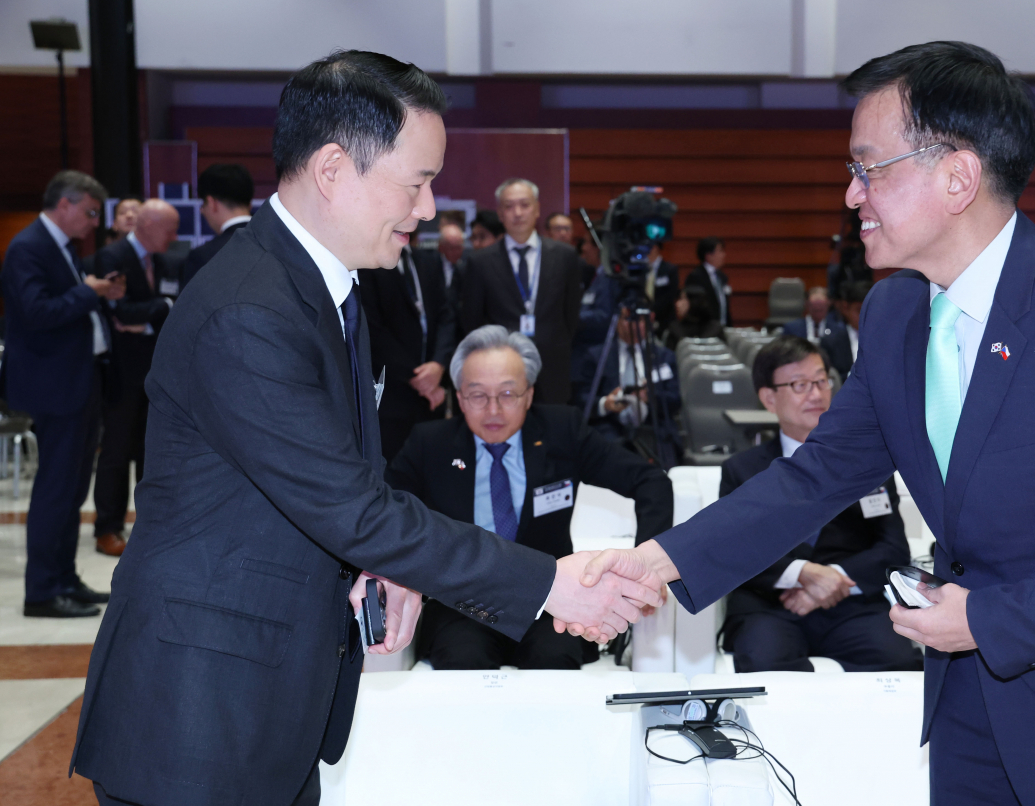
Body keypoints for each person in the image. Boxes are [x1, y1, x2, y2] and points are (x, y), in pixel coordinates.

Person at [573, 41, 1035, 806]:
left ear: (957, 175)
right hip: (972, 701)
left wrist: (992, 619)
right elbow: (816, 475)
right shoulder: (898, 311)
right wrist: (661, 562)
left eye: (869, 168)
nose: (851, 195)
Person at [69, 50, 662, 806]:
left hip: (264, 697)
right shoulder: (253, 308)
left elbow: (316, 484)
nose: (425, 208)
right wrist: (546, 581)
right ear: (332, 168)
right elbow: (351, 506)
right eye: (416, 182)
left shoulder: (320, 286)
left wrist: (378, 564)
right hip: (202, 712)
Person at [387, 325, 673, 669]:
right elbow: (386, 511)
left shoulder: (562, 431)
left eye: (508, 394)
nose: (493, 410)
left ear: (529, 395)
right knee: (464, 657)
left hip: (553, 599)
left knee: (552, 659)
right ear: (460, 397)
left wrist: (643, 567)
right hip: (461, 601)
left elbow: (651, 481)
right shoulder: (429, 444)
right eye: (478, 395)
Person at [719, 336, 920, 673]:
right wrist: (803, 574)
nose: (815, 394)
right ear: (769, 398)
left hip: (851, 604)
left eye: (820, 380)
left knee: (899, 662)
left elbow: (893, 548)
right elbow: (731, 549)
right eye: (799, 384)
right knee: (763, 664)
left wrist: (835, 579)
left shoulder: (867, 463)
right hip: (770, 604)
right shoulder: (743, 470)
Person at [1, 171, 124, 617]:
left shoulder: (61, 246)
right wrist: (86, 293)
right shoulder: (29, 246)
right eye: (90, 212)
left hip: (77, 379)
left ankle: (64, 578)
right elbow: (36, 313)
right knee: (55, 490)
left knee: (72, 490)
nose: (94, 222)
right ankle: (42, 591)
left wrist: (95, 293)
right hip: (54, 386)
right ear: (65, 204)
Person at [90, 199, 181, 557]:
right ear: (146, 225)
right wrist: (160, 308)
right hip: (121, 373)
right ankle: (107, 527)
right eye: (169, 229)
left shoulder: (165, 260)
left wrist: (154, 312)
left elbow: (176, 305)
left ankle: (149, 526)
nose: (174, 237)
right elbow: (118, 311)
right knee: (114, 451)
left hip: (156, 372)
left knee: (152, 452)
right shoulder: (112, 257)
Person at [461, 178, 583, 404]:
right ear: (500, 213)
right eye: (509, 206)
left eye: (524, 205)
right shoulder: (480, 262)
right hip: (500, 370)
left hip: (553, 367)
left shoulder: (565, 256)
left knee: (552, 433)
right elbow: (472, 320)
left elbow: (571, 315)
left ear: (537, 209)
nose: (517, 212)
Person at [358, 239, 456, 462]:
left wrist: (439, 365)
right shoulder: (366, 263)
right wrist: (418, 378)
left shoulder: (428, 260)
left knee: (434, 469)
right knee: (393, 474)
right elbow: (372, 330)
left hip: (434, 393)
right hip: (391, 396)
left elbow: (446, 316)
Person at [575, 307, 681, 463]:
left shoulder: (664, 357)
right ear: (616, 321)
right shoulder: (597, 357)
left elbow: (676, 400)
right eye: (627, 319)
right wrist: (605, 404)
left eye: (637, 320)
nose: (632, 326)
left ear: (648, 321)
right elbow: (580, 398)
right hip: (611, 426)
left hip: (654, 426)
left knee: (664, 448)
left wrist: (649, 396)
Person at [181, 163, 255, 285]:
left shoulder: (203, 257)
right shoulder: (277, 243)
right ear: (249, 203)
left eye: (203, 204)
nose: (202, 211)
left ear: (212, 203)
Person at [821, 280, 870, 379]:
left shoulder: (887, 339)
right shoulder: (831, 341)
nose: (866, 316)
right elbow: (830, 378)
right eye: (859, 310)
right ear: (845, 308)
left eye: (871, 310)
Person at [685, 236, 731, 326]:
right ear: (708, 255)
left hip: (722, 327)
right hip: (705, 328)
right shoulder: (695, 276)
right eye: (720, 251)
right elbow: (696, 308)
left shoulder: (722, 277)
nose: (723, 255)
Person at [662, 285, 724, 349]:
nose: (677, 304)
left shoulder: (715, 329)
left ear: (694, 301)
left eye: (682, 298)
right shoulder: (675, 329)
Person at [646, 242, 680, 332]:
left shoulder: (670, 269)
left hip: (665, 322)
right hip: (644, 320)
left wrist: (653, 312)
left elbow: (670, 296)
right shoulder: (640, 270)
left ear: (655, 248)